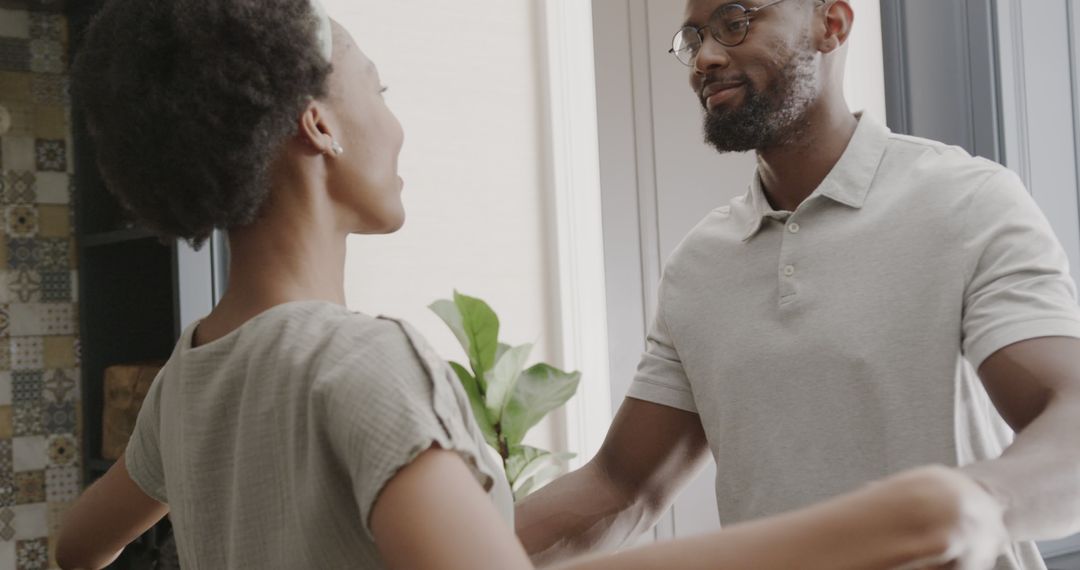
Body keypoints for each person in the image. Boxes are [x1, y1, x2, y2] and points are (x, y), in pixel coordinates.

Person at [56, 0, 1010, 568]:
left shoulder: (190, 377)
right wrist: (901, 521)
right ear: (319, 127)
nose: (396, 124)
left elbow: (76, 548)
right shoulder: (362, 365)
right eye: (378, 93)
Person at [515, 1, 1080, 569]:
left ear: (830, 25)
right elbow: (619, 487)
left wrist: (980, 505)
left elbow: (1069, 413)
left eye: (734, 22)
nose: (705, 58)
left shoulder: (968, 201)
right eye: (694, 37)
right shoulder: (699, 265)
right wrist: (443, 545)